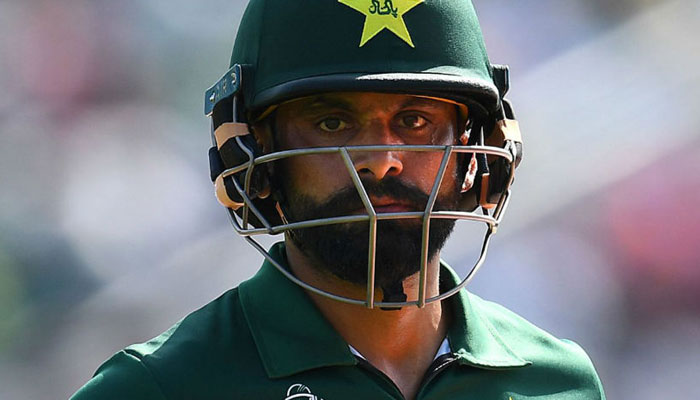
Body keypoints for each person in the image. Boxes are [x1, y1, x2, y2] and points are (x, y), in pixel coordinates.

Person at [71, 1, 605, 399]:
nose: (382, 161)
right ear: (252, 150)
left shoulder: (556, 382)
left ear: (478, 151)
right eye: (332, 122)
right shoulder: (159, 388)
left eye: (415, 121)